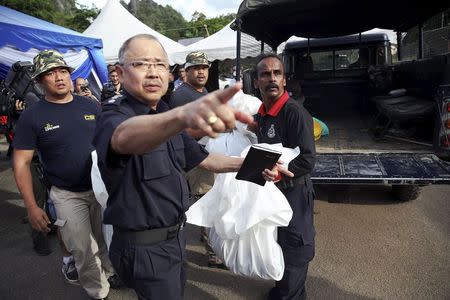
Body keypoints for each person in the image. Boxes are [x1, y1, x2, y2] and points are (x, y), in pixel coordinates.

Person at [92, 34, 291, 299]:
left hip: (174, 240)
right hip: (144, 247)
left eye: (160, 65)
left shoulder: (163, 113)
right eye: (141, 64)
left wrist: (255, 163)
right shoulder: (115, 114)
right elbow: (123, 137)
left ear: (169, 73)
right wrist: (181, 115)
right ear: (120, 72)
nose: (153, 73)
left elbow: (205, 159)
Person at [12, 49, 117, 300]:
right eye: (50, 74)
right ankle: (98, 291)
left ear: (70, 75)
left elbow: (108, 143)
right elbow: (21, 163)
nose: (58, 77)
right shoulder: (32, 116)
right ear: (39, 81)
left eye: (62, 71)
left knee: (104, 240)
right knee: (82, 248)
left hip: (100, 189)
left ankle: (110, 273)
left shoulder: (90, 105)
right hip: (66, 195)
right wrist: (31, 207)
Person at [252, 53, 316, 300]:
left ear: (284, 80)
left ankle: (291, 295)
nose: (272, 79)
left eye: (277, 73)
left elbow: (308, 159)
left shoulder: (294, 113)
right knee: (278, 242)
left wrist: (278, 171)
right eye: (265, 74)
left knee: (296, 246)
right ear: (256, 81)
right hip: (273, 191)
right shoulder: (261, 114)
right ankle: (283, 291)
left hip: (294, 191)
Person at [168, 51, 223, 267]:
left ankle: (206, 236)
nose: (201, 71)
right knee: (206, 199)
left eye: (204, 67)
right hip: (195, 158)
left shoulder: (202, 91)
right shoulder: (181, 96)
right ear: (187, 71)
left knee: (208, 198)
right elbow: (176, 132)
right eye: (196, 68)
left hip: (206, 153)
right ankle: (213, 254)